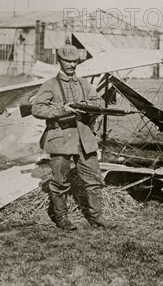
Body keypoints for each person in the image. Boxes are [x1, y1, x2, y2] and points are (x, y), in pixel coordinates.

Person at [32, 44, 116, 231]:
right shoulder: (50, 85)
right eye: (67, 61)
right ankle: (61, 218)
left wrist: (85, 105)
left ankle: (97, 217)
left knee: (94, 180)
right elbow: (37, 109)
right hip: (60, 139)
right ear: (59, 61)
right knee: (60, 181)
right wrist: (63, 109)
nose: (71, 65)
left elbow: (99, 101)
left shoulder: (84, 84)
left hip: (84, 139)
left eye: (75, 61)